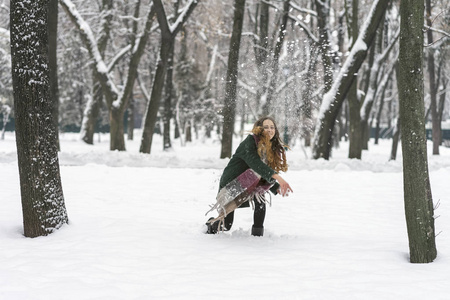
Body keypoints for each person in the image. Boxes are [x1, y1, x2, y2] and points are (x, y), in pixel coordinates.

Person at [206, 116, 293, 236]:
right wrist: (278, 178)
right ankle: (210, 225)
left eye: (272, 127)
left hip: (253, 183)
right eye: (266, 127)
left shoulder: (271, 149)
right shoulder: (250, 142)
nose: (269, 130)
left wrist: (275, 187)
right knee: (226, 225)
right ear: (259, 129)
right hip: (234, 181)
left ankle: (257, 234)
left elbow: (263, 173)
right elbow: (256, 164)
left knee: (260, 197)